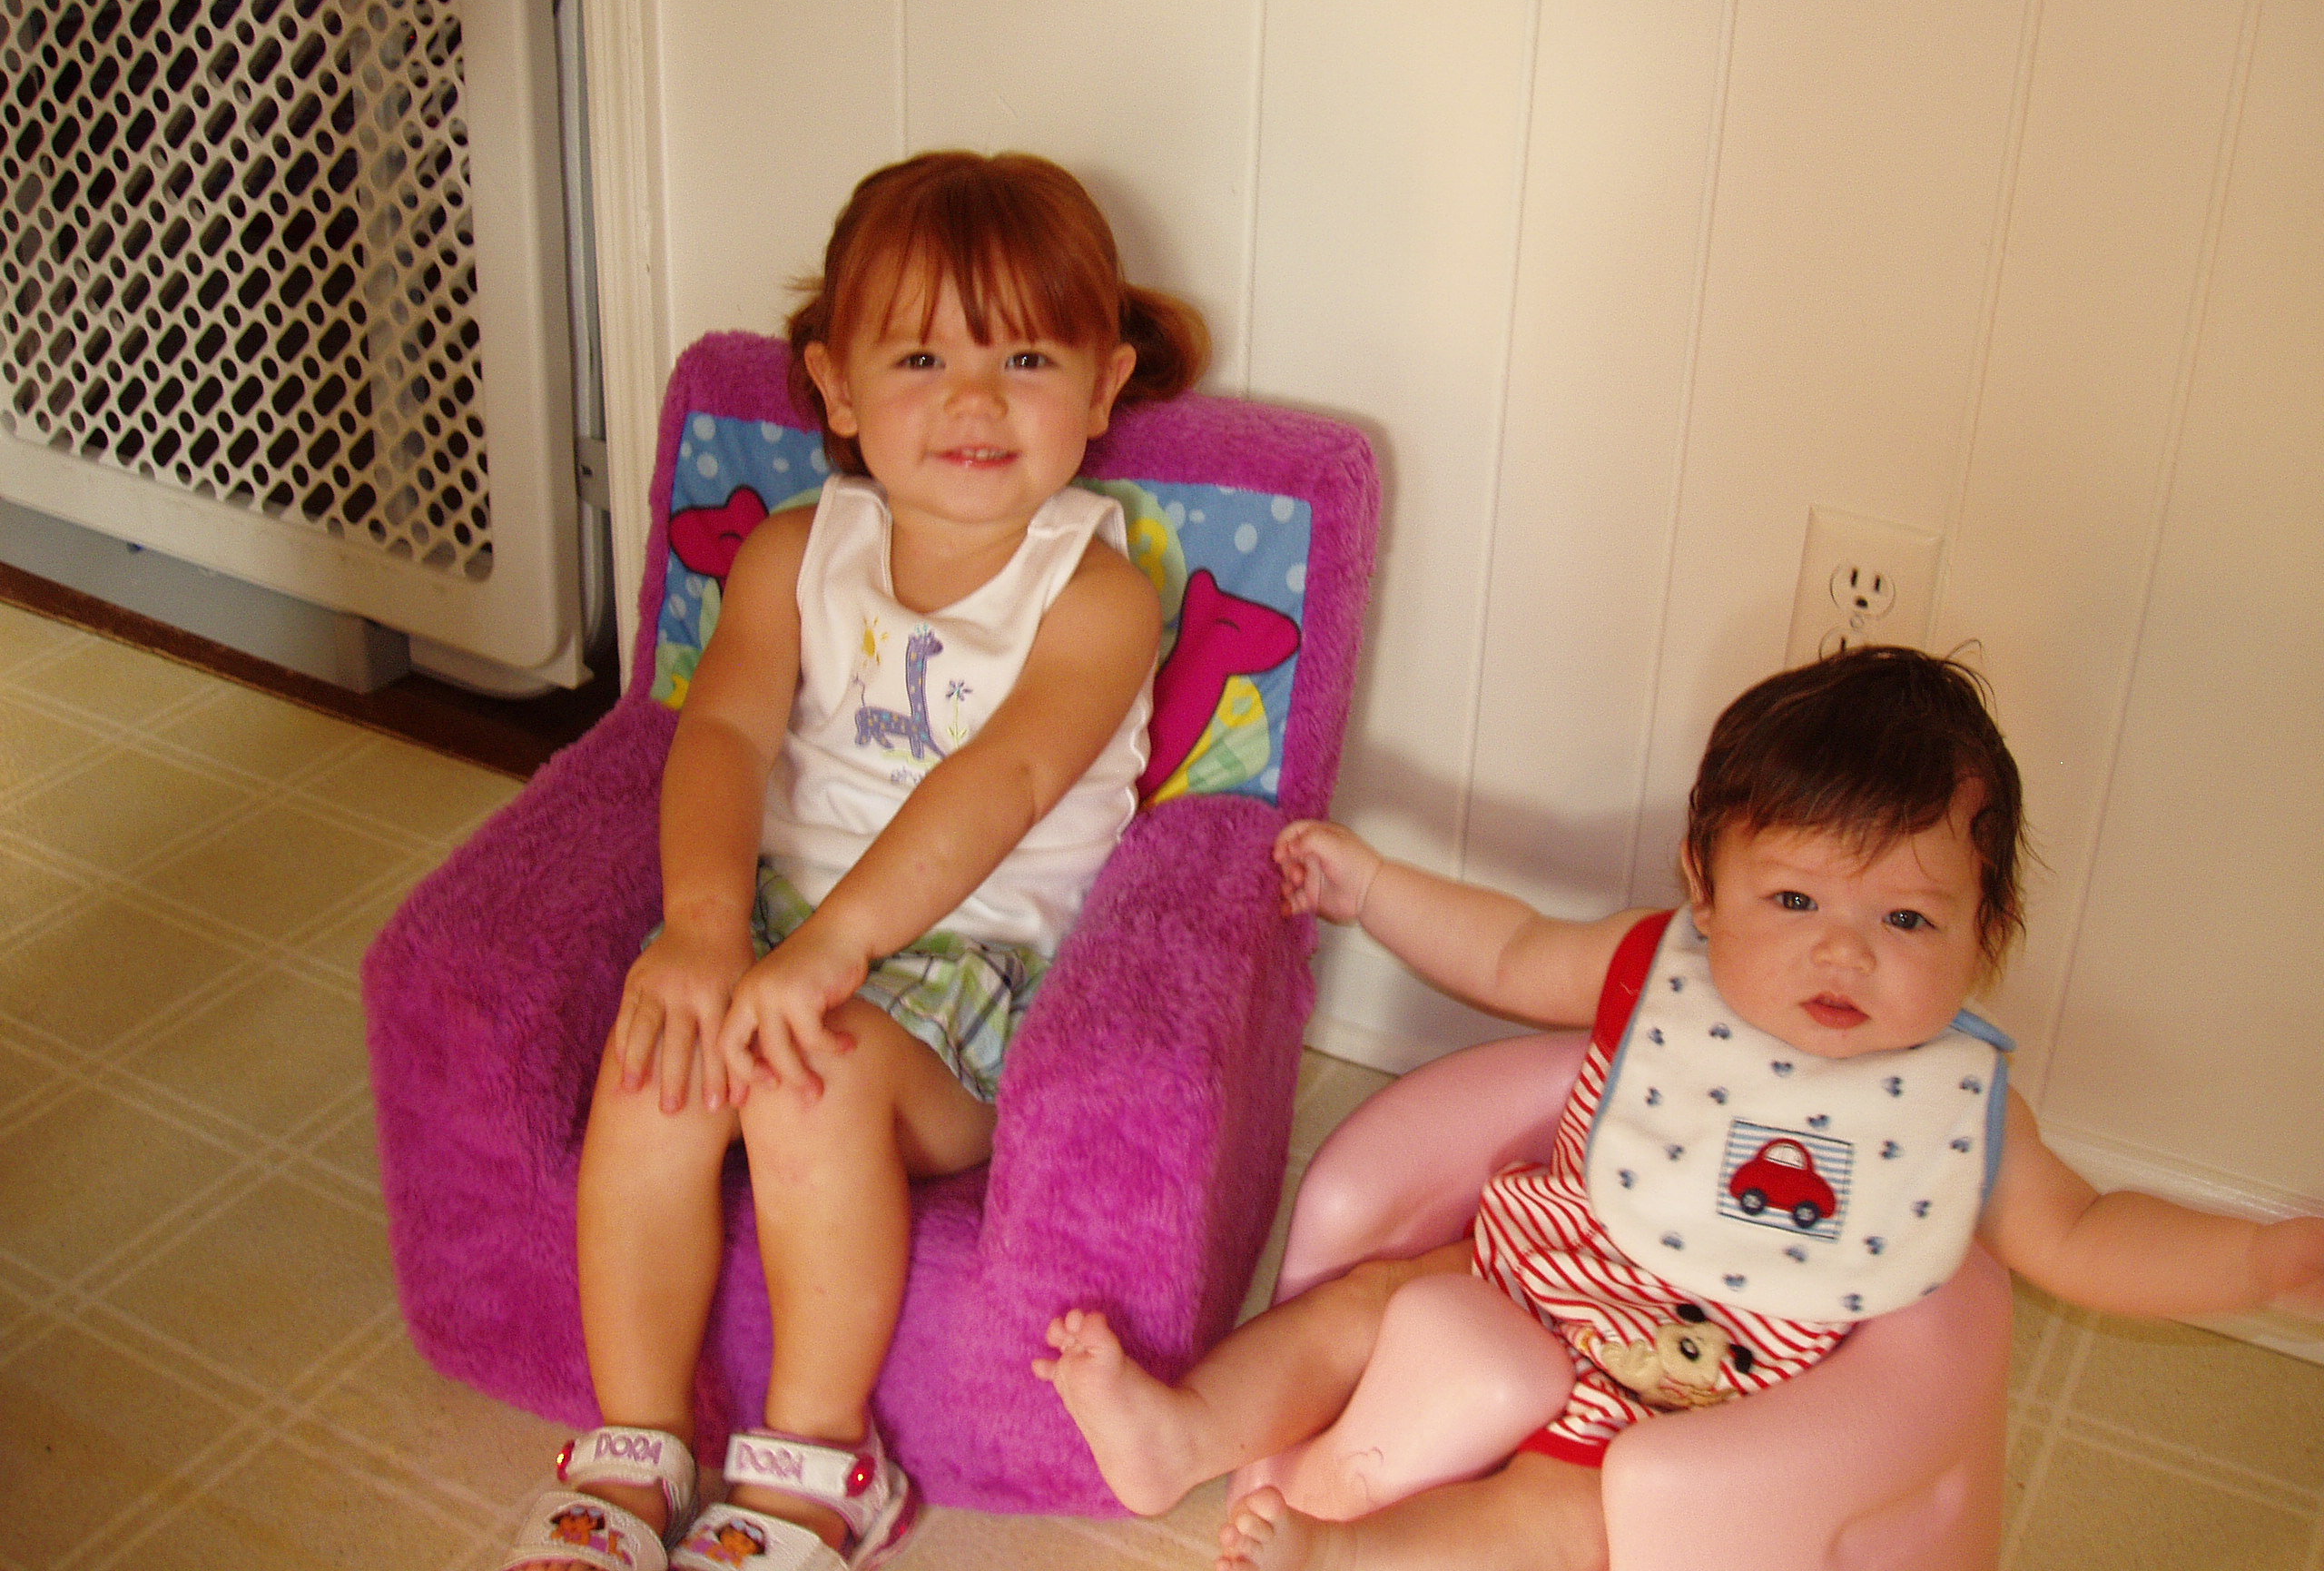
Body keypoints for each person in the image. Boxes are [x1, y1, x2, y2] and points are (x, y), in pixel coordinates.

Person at [1036, 647, 2324, 1571]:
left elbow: (2083, 1235)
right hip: (1513, 1273)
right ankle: (1184, 1433)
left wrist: (2261, 1262)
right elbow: (1508, 947)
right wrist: (1372, 889)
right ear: (1707, 889)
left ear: (1988, 933)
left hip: (1686, 1392)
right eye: (1795, 901)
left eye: (1907, 918)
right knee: (1358, 1302)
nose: (1842, 951)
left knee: (1558, 1523)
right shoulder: (1658, 971)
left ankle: (1348, 1554)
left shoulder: (1953, 1110)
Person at [504, 152, 1208, 1571]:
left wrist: (834, 952)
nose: (973, 401)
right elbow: (720, 737)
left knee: (802, 1080)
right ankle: (638, 1448)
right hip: (776, 925)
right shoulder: (792, 554)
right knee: (653, 1065)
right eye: (919, 357)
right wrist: (706, 928)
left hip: (965, 981)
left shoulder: (1097, 591)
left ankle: (822, 1465)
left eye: (1026, 358)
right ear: (835, 387)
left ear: (1104, 386)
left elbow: (1002, 784)